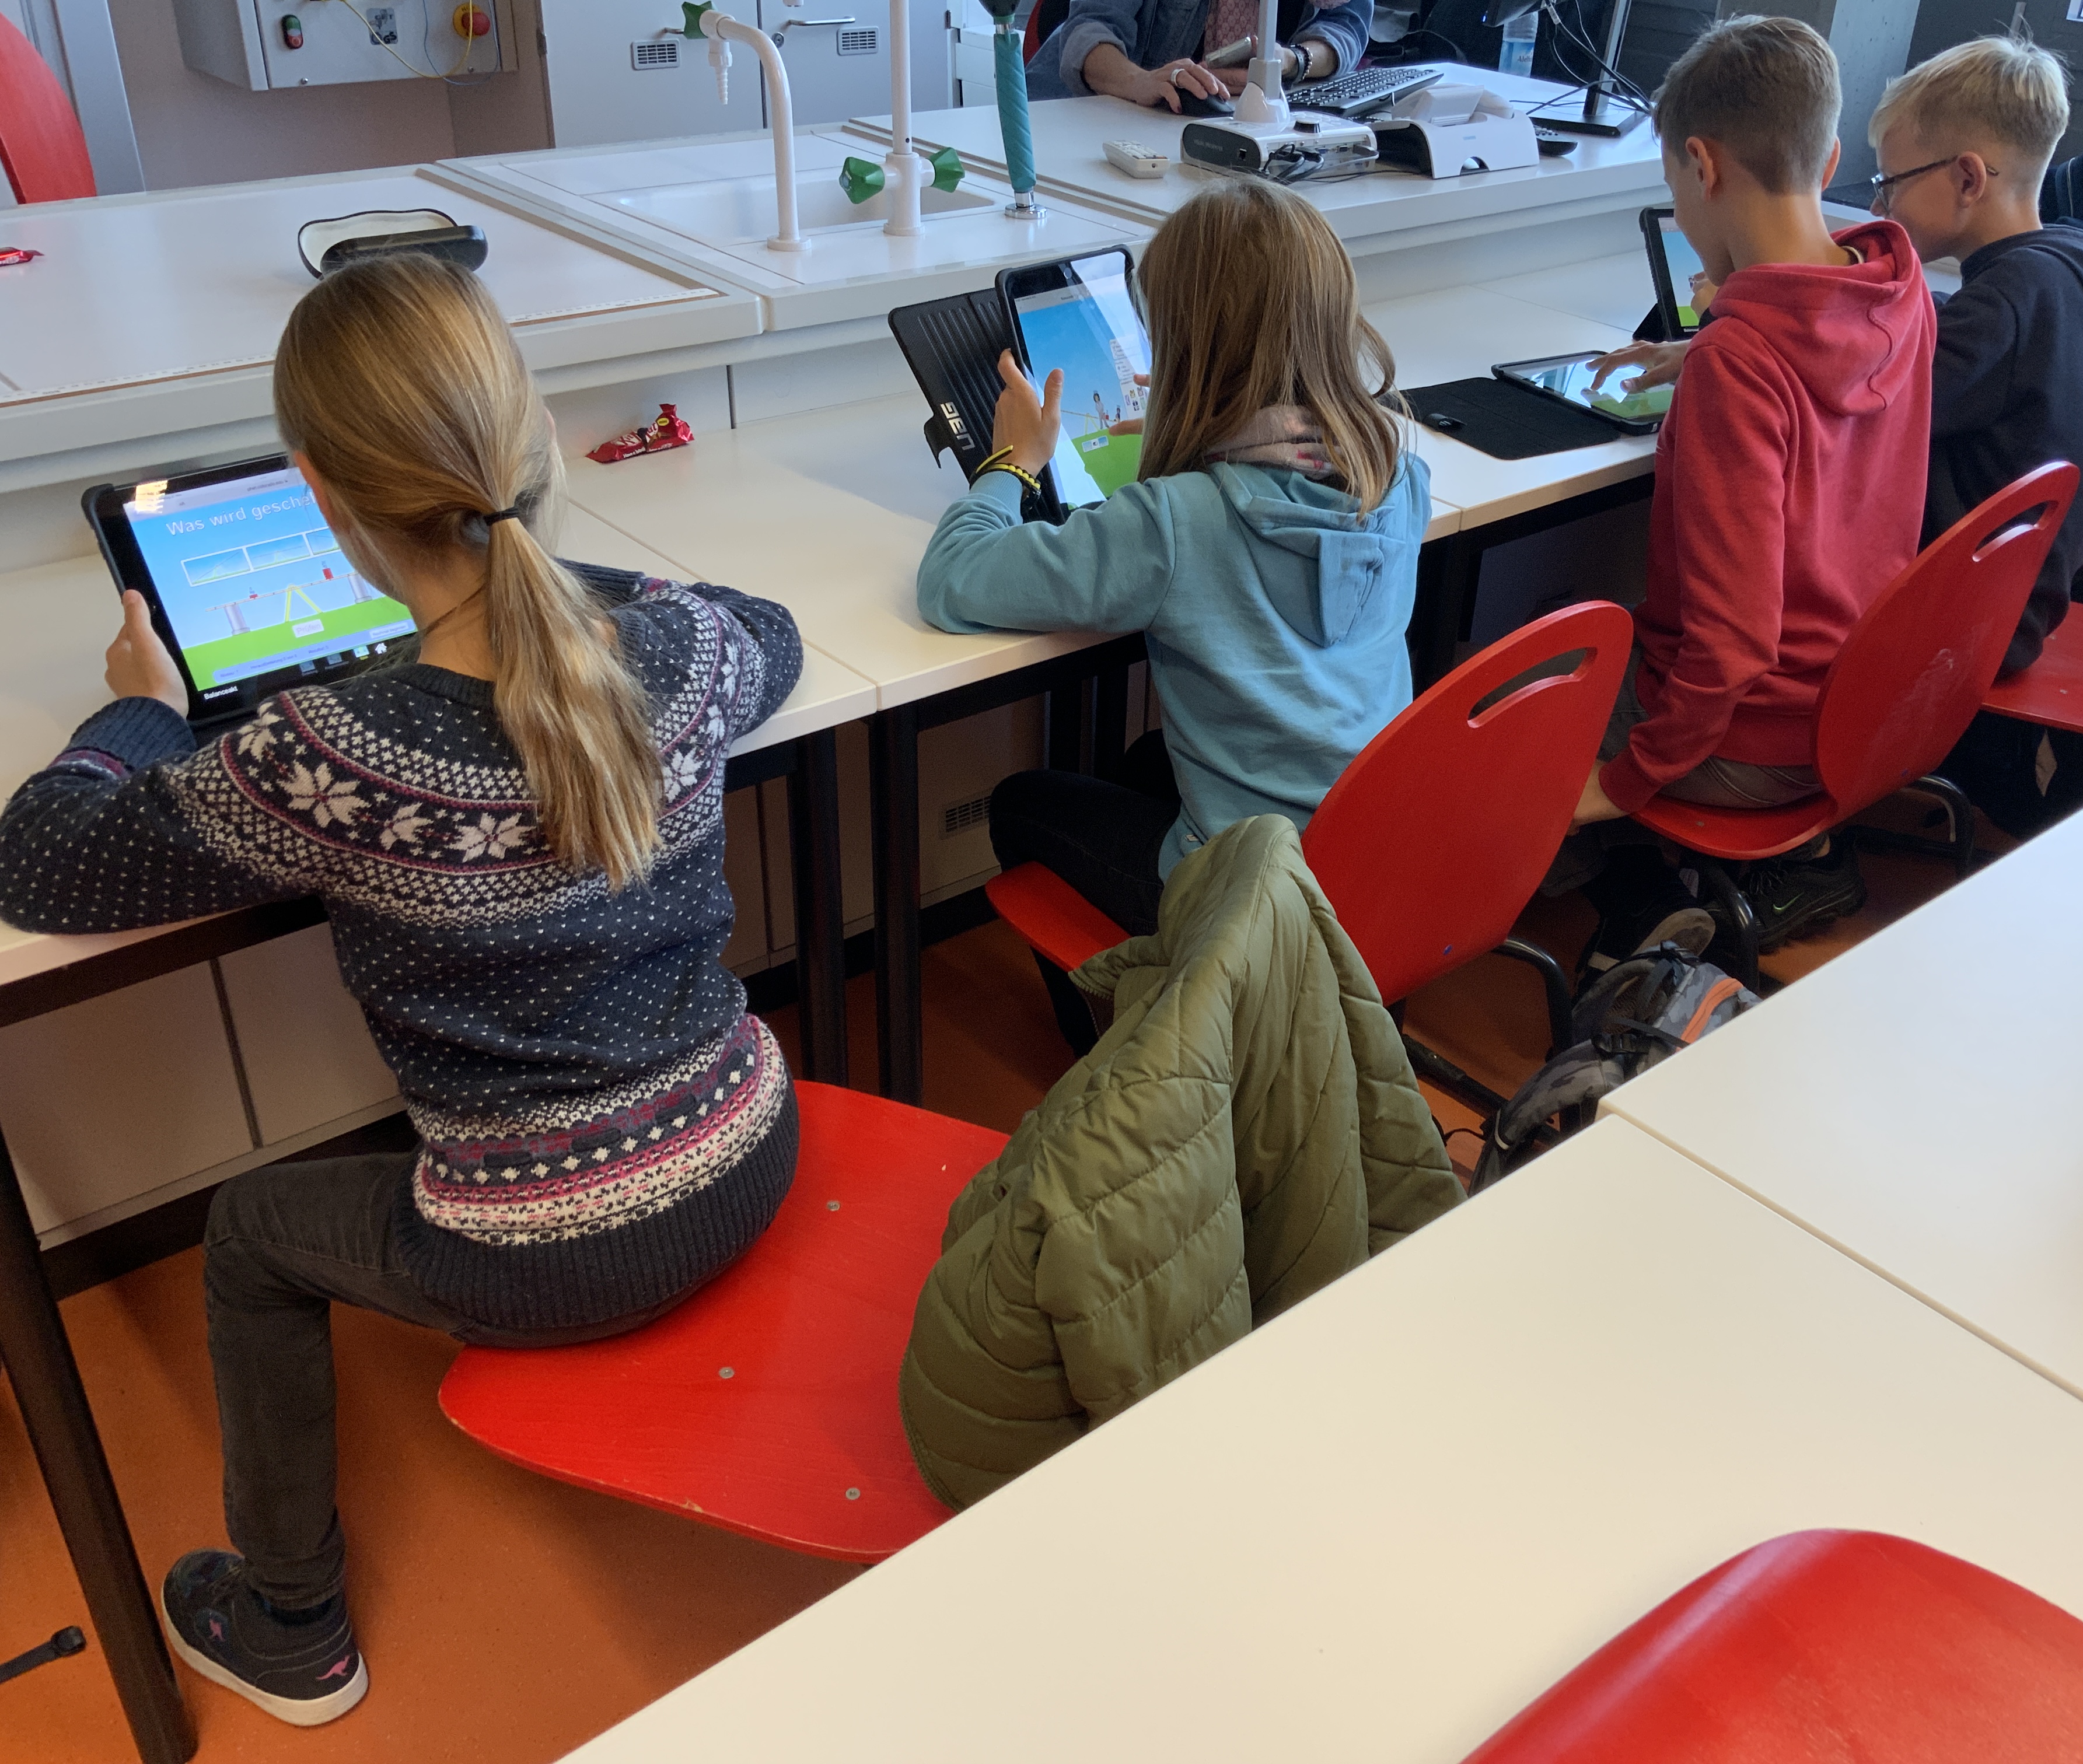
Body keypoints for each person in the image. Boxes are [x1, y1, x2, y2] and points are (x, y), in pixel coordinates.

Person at [0, 256, 806, 1727]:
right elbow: (771, 625)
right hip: (753, 1149)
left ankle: (290, 1625)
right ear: (535, 442)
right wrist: (561, 588)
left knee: (247, 1231)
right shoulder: (685, 656)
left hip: (544, 1258)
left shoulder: (326, 753)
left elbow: (42, 863)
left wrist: (137, 709)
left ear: (319, 495)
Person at [917, 180, 1428, 1053]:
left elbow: (953, 580)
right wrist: (1208, 421)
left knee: (1023, 803)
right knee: (1144, 763)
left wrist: (1014, 459)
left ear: (1183, 347)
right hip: (1368, 853)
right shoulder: (1398, 475)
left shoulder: (1173, 523)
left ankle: (1139, 1073)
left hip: (1250, 896)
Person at [1565, 15, 1937, 964]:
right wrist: (1697, 351)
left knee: (1516, 685)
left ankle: (1640, 896)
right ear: (1829, 160)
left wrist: (1626, 782)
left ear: (1701, 165)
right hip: (1856, 712)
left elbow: (1732, 643)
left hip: (1753, 742)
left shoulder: (1741, 363)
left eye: (1673, 188)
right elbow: (1813, 355)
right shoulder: (1897, 292)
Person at [1869, 33, 2083, 829]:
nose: (1881, 208)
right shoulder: (2068, 275)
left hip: (1968, 628)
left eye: (1891, 183)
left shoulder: (2003, 305)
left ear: (1967, 178)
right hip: (2023, 605)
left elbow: (1863, 409)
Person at [1029, 0, 1369, 108]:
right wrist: (1140, 81)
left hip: (1219, 121)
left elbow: (1346, 24)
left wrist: (1291, 61)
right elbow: (1092, 25)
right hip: (1079, 115)